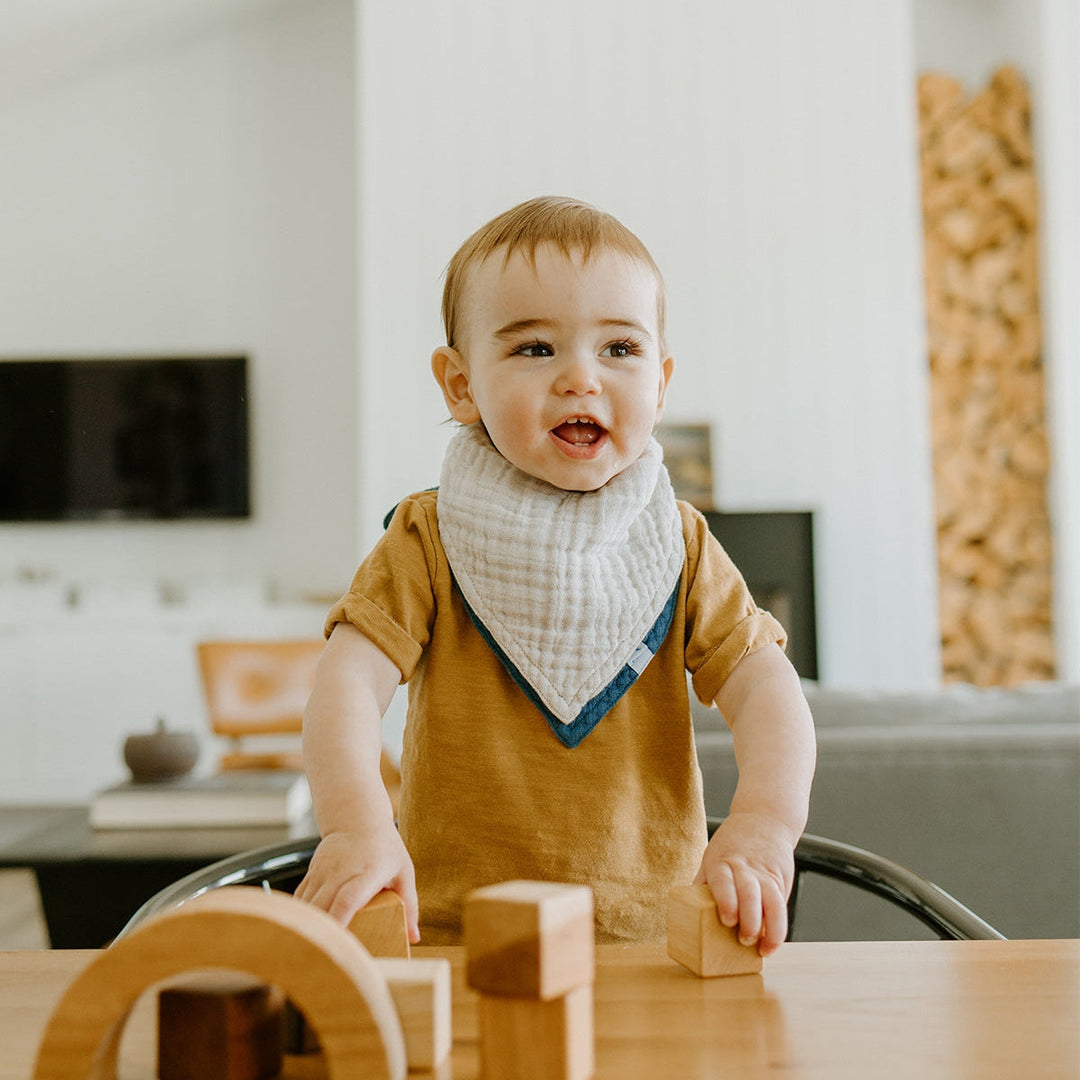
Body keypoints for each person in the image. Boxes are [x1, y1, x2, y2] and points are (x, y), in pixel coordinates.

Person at [296, 196, 816, 953]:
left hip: (654, 944)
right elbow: (344, 688)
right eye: (535, 349)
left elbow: (768, 691)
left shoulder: (677, 542)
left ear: (661, 383)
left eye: (619, 350)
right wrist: (356, 827)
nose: (581, 378)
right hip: (457, 940)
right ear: (461, 384)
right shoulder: (430, 538)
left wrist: (764, 825)